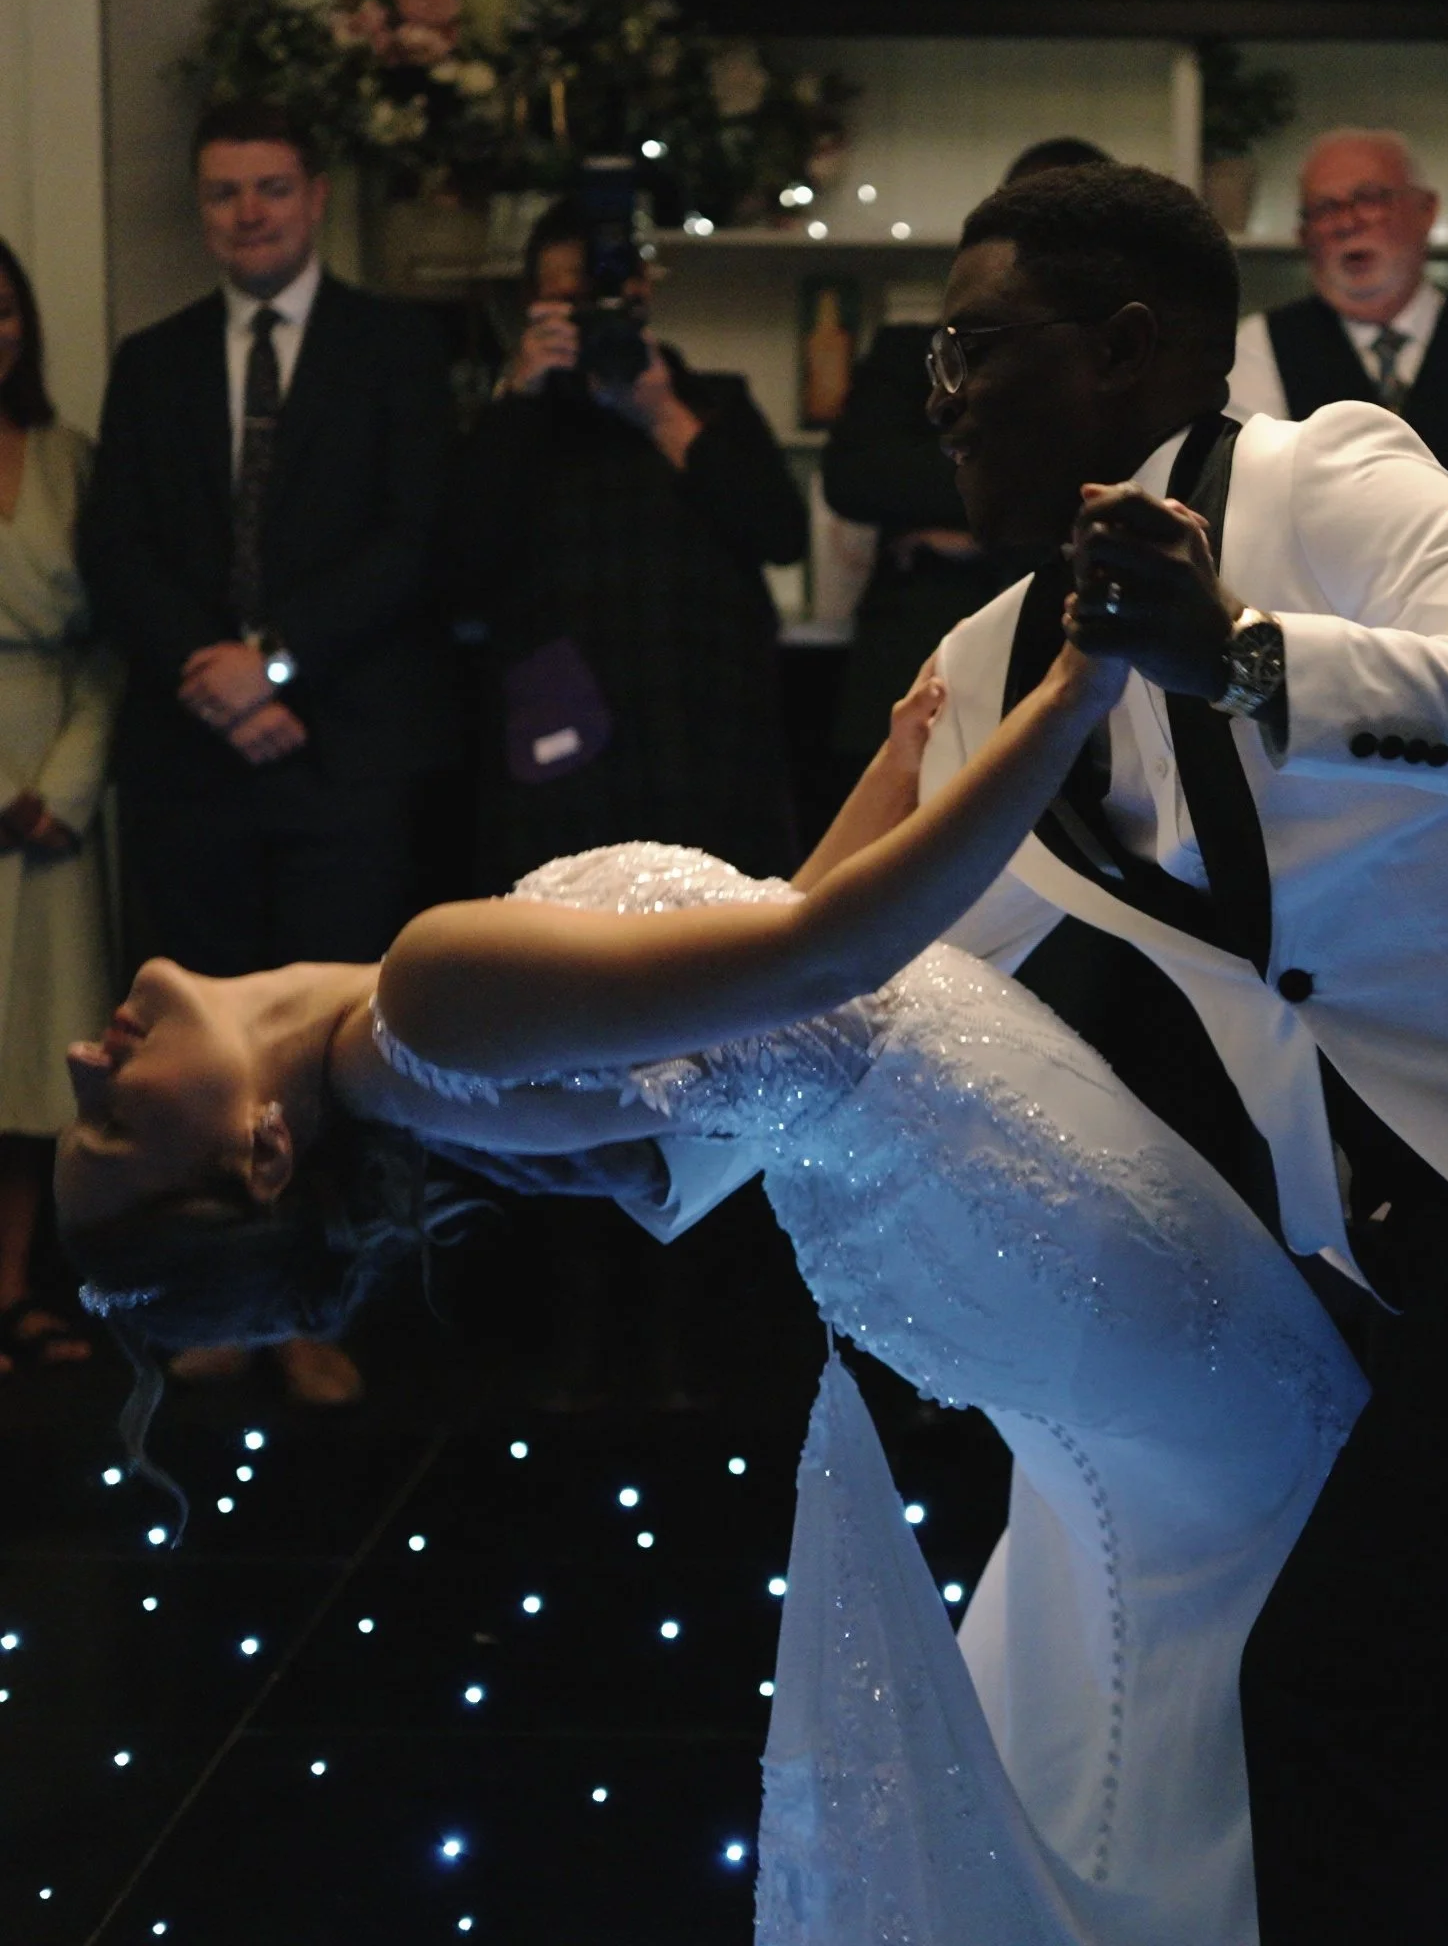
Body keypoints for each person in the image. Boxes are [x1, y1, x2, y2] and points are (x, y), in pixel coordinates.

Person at [54, 632, 1365, 1946]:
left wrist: (897, 764)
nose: (79, 1061)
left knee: (1186, 1544)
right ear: (265, 1157)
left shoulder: (413, 1051)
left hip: (951, 1208)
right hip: (994, 1184)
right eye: (110, 1133)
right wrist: (1082, 679)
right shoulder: (427, 998)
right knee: (1257, 1490)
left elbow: (763, 990)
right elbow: (818, 963)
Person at [917, 160, 1448, 1946]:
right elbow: (886, 963)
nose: (944, 396)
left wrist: (1253, 657)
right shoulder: (989, 662)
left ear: (1125, 353)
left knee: (1334, 1680)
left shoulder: (1325, 474)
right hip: (1376, 1253)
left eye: (976, 347)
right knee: (1334, 1684)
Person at [78, 98, 455, 1408]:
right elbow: (116, 548)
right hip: (191, 766)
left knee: (334, 1060)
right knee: (185, 1067)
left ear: (314, 199)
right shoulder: (153, 358)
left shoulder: (396, 349)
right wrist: (219, 682)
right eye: (224, 193)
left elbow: (416, 539)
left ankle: (319, 1307)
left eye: (271, 190)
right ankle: (209, 1306)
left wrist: (275, 665)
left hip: (339, 756)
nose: (247, 213)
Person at [450, 193, 807, 888]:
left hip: (704, 745)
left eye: (608, 301)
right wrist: (520, 394)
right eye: (569, 303)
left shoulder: (710, 401)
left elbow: (780, 532)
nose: (594, 320)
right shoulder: (513, 424)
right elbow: (458, 566)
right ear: (532, 306)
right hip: (561, 757)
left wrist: (662, 413)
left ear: (641, 295)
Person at [823, 136, 1110, 767]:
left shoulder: (1121, 364)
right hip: (915, 652)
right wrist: (1045, 495)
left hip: (1068, 650)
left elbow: (1133, 484)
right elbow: (857, 478)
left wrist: (956, 526)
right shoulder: (908, 352)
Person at [1229, 126, 1448, 560]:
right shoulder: (1255, 349)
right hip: (1330, 618)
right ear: (1304, 237)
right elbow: (1259, 513)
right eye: (1324, 209)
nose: (1346, 222)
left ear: (1427, 211)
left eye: (1370, 198)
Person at [0, 238, 118, 1378]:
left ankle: (18, 1291)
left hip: (59, 786)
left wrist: (63, 788)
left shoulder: (70, 461)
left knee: (41, 1049)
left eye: (2, 312)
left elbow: (107, 643)